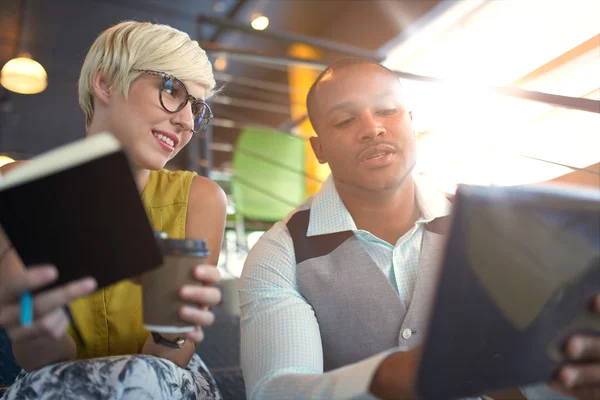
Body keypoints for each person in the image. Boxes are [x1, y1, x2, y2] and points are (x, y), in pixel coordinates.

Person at [239, 57, 600, 399]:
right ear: (319, 149)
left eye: (386, 110)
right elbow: (275, 389)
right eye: (345, 120)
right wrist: (384, 379)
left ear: (411, 121)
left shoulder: (495, 226)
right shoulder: (280, 252)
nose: (372, 128)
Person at [0, 21, 227, 399]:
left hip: (159, 378)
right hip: (56, 378)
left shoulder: (201, 200)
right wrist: (36, 328)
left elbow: (165, 362)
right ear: (105, 84)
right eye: (172, 90)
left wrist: (171, 334)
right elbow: (47, 361)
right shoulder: (20, 189)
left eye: (197, 108)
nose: (187, 122)